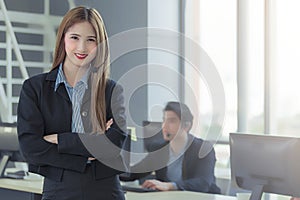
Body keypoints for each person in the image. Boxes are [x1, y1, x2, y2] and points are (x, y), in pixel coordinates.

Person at [17, 6, 127, 200]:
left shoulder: (111, 90)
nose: (82, 48)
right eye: (74, 37)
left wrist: (60, 139)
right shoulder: (35, 88)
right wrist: (89, 149)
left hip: (106, 190)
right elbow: (31, 149)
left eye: (91, 40)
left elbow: (114, 145)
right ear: (63, 39)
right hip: (58, 189)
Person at [126, 101, 221, 193]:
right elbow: (134, 172)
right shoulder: (159, 149)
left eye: (171, 121)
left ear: (186, 126)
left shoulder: (203, 148)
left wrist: (169, 186)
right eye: (164, 120)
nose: (164, 126)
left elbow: (203, 183)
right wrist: (113, 171)